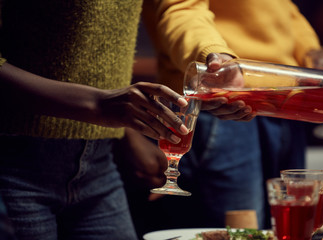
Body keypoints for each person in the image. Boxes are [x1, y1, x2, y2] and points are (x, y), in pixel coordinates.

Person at [120, 0, 323, 235]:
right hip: (225, 104)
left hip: (285, 105)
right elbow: (180, 8)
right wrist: (215, 60)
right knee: (239, 233)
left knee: (289, 232)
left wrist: (311, 54)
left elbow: (282, 8)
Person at [0, 1, 200, 240]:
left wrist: (125, 134)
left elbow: (176, 7)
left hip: (100, 163)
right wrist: (96, 105)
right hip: (14, 161)